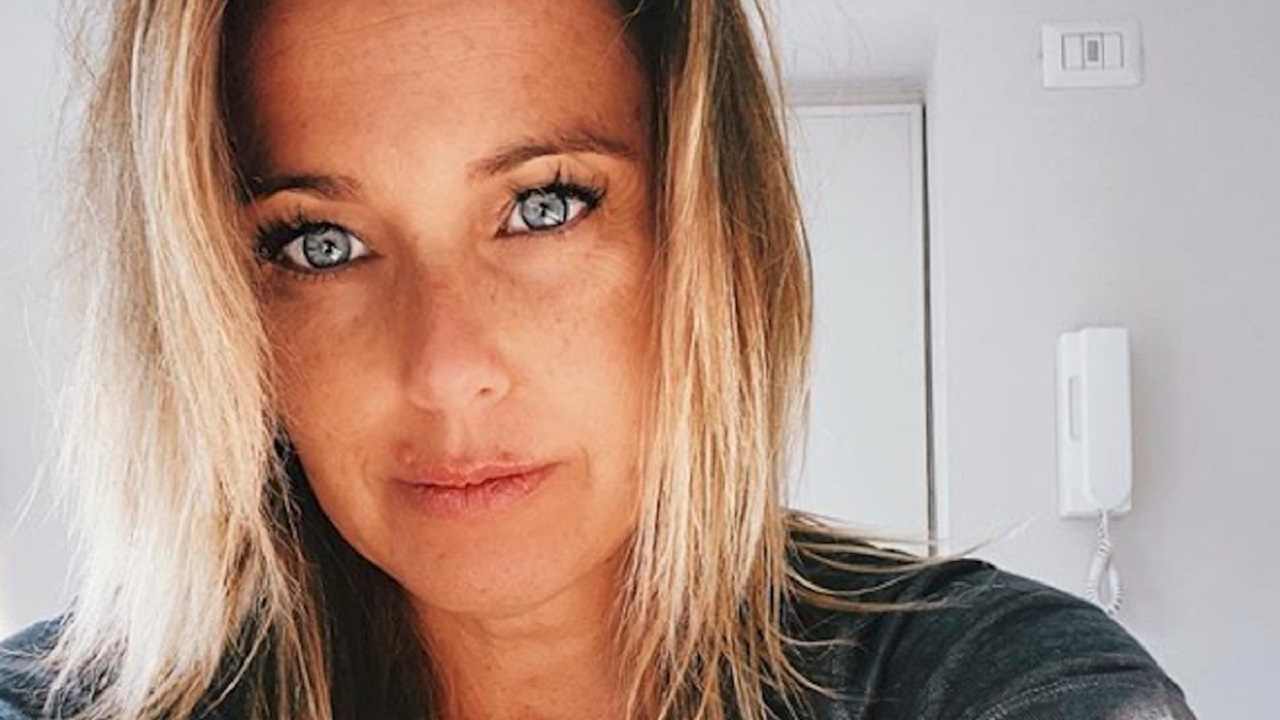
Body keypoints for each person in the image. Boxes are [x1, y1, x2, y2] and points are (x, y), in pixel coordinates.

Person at [0, 1, 1197, 719]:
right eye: (320, 243)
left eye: (543, 207)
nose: (446, 370)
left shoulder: (988, 685)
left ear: (705, 235)